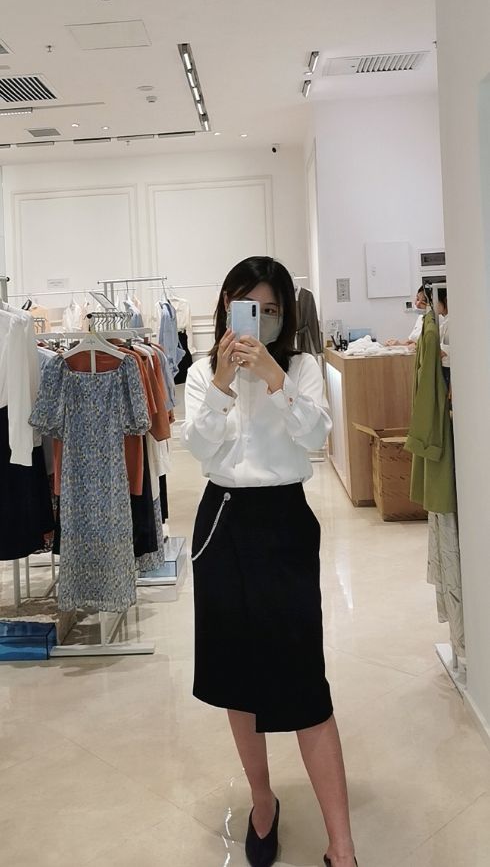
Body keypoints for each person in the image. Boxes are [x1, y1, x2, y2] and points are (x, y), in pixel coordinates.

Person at [182, 256, 358, 867]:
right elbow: (198, 447)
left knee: (304, 678)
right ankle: (262, 800)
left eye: (271, 310)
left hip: (284, 520)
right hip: (223, 521)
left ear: (285, 316)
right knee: (237, 676)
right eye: (246, 307)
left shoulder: (302, 368)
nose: (258, 321)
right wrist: (224, 383)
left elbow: (315, 438)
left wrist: (275, 379)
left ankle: (342, 846)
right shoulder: (201, 373)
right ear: (225, 308)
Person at [437, 287, 450, 388]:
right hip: (446, 366)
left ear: (445, 300)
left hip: (449, 367)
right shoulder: (445, 320)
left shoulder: (451, 321)